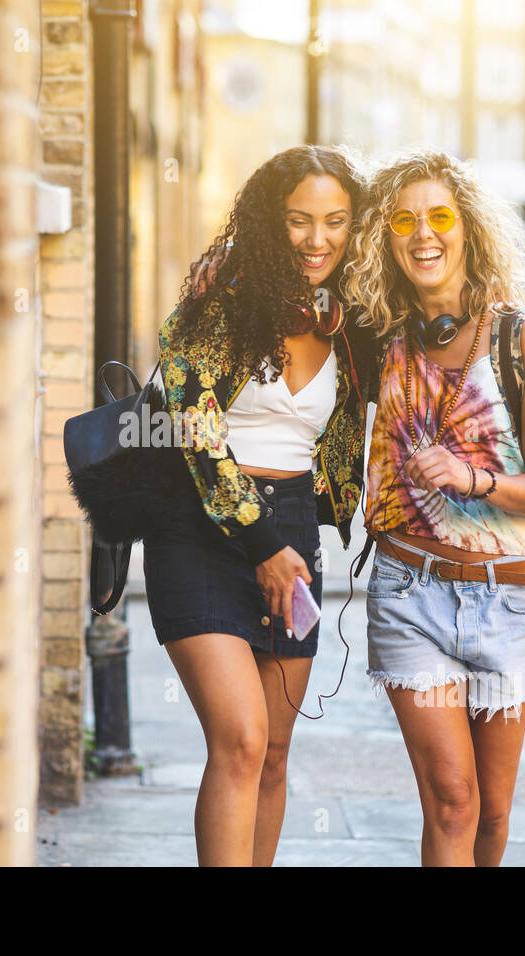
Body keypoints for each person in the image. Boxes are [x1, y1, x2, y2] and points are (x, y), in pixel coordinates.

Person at [144, 145, 378, 866]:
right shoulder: (218, 303)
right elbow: (195, 432)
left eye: (336, 222)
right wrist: (263, 547)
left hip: (294, 528)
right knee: (240, 740)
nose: (317, 240)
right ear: (268, 223)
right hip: (199, 530)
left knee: (274, 753)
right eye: (298, 221)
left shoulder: (353, 318)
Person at [344, 147, 525, 866]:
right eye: (403, 221)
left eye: (439, 216)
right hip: (410, 593)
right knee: (452, 799)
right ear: (386, 238)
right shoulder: (378, 340)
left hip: (509, 599)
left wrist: (472, 481)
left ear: (468, 229)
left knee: (493, 818)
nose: (423, 234)